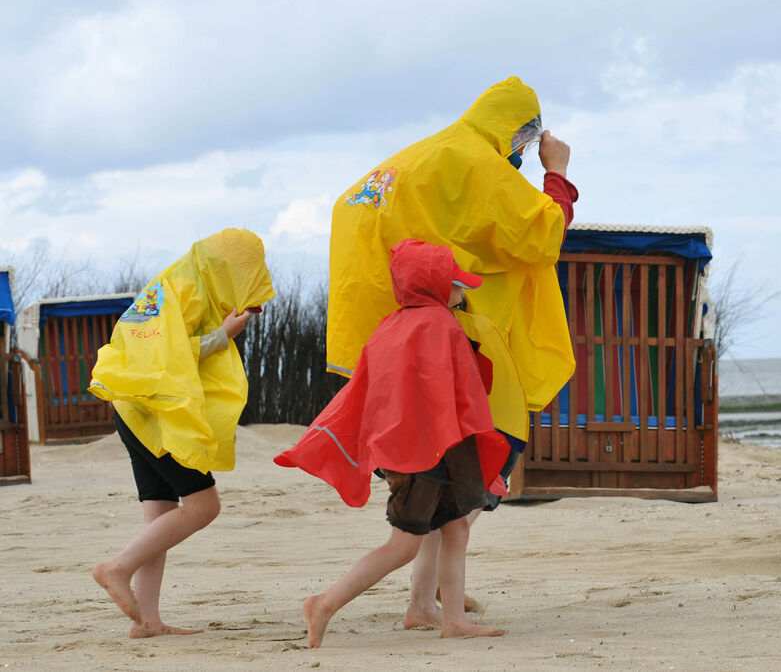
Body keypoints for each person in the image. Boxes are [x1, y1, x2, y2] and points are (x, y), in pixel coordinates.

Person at [325, 75, 578, 628]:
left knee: (442, 495)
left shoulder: (415, 158)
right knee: (468, 484)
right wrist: (556, 171)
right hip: (457, 354)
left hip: (392, 345)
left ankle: (425, 600)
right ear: (518, 132)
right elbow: (545, 235)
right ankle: (422, 598)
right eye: (524, 140)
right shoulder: (475, 161)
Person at [275, 239, 511, 648]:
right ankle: (324, 603)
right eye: (455, 283)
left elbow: (373, 391)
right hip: (427, 453)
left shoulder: (392, 326)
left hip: (416, 450)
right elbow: (460, 394)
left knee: (456, 528)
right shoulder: (440, 325)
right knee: (404, 545)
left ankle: (454, 620)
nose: (462, 290)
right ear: (436, 286)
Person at [88, 228, 275, 638]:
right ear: (226, 267)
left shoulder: (173, 283)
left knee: (160, 516)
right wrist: (224, 335)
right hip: (156, 413)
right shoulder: (187, 289)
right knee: (204, 506)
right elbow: (166, 357)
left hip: (135, 408)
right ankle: (116, 567)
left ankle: (146, 622)